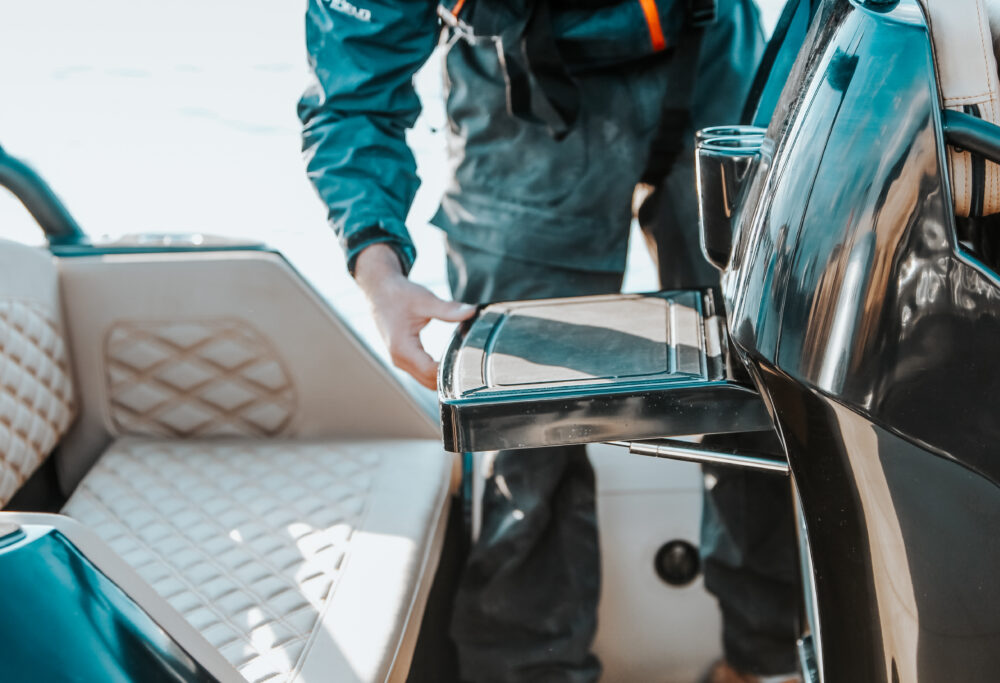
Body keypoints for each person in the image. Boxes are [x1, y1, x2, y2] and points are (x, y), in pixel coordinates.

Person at [299, 0, 796, 681]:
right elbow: (352, 91)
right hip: (520, 101)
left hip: (709, 54)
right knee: (525, 435)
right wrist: (379, 271)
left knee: (767, 386)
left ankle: (772, 659)